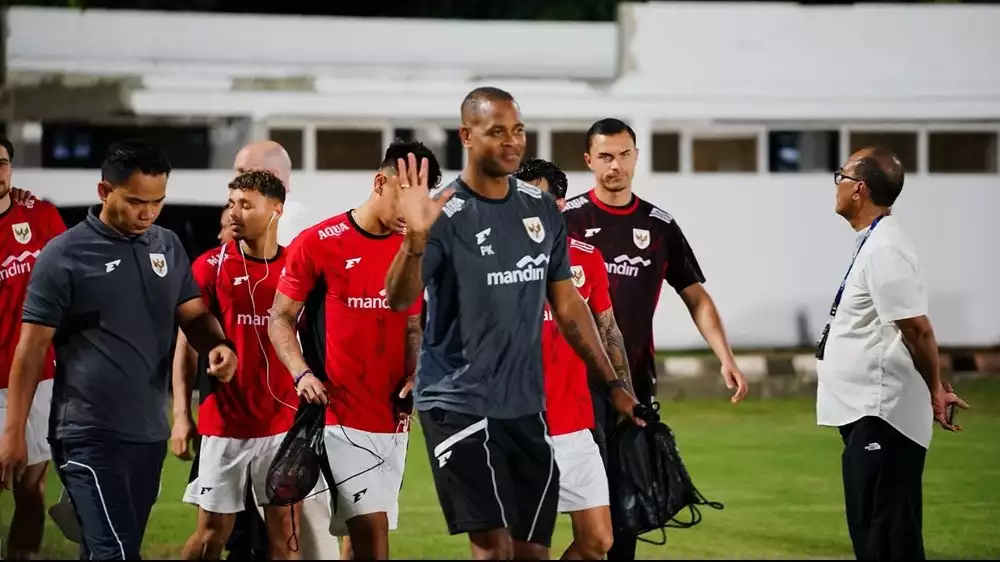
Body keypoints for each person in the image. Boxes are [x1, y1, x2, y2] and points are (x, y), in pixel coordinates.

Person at [382, 87, 642, 561]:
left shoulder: (540, 209)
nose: (511, 141)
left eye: (517, 130)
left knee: (532, 552)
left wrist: (612, 382)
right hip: (457, 403)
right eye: (496, 131)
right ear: (466, 135)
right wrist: (415, 239)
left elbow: (569, 306)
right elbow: (399, 298)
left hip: (525, 406)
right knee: (494, 548)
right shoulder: (444, 212)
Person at [0, 139, 238, 560]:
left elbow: (195, 316)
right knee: (117, 553)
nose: (148, 213)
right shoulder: (63, 255)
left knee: (103, 549)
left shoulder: (166, 246)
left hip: (148, 432)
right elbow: (30, 351)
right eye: (135, 202)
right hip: (86, 432)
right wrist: (14, 432)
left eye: (157, 202)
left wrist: (216, 345)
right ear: (104, 192)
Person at [560, 118, 748, 561]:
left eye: (624, 155)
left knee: (625, 515)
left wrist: (726, 357)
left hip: (632, 386)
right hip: (570, 386)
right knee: (573, 511)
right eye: (605, 156)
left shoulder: (659, 226)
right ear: (589, 160)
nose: (616, 165)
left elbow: (696, 297)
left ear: (636, 158)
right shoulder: (564, 220)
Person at [269, 139, 440, 560]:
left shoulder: (417, 249)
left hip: (393, 420)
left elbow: (414, 325)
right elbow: (280, 318)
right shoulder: (319, 243)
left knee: (356, 541)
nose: (413, 210)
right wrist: (302, 373)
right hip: (339, 417)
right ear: (381, 182)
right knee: (373, 539)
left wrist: (416, 372)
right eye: (407, 194)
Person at [816, 146, 968, 561]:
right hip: (867, 414)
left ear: (860, 189)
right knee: (876, 535)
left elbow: (917, 329)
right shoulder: (874, 242)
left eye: (842, 177)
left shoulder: (885, 249)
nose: (838, 185)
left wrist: (935, 389)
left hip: (883, 416)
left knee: (885, 541)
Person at [175, 170, 302, 560]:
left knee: (283, 536)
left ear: (276, 210)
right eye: (232, 203)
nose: (235, 212)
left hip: (282, 426)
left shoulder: (296, 268)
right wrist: (182, 414)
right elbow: (186, 346)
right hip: (224, 425)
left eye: (246, 204)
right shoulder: (209, 266)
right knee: (212, 535)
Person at [515, 158, 632, 560]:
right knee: (531, 550)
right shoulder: (490, 259)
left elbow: (608, 330)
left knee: (598, 540)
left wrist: (624, 394)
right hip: (517, 427)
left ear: (559, 206)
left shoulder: (586, 258)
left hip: (574, 423)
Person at [0, 138, 67, 560]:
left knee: (32, 488)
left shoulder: (40, 216)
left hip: (40, 378)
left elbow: (73, 282)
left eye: (2, 163)